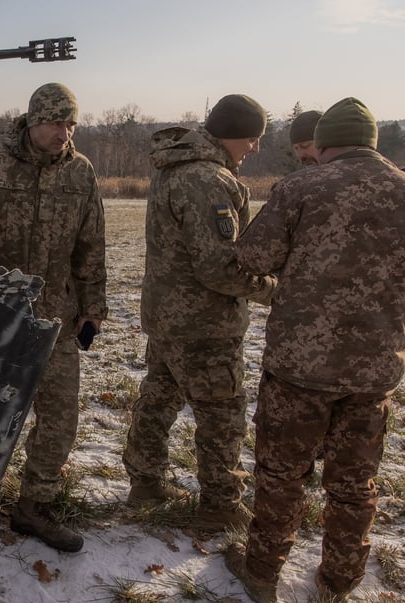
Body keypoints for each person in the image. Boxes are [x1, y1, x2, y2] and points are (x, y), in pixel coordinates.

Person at [225, 97, 405, 603]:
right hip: (373, 371)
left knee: (282, 474)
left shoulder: (301, 187)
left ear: (323, 142)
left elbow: (253, 256)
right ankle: (339, 581)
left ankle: (261, 573)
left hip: (300, 366)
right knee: (355, 484)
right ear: (370, 141)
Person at [0, 82, 107, 553]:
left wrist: (93, 309)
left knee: (60, 419)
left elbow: (91, 246)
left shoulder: (81, 173)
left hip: (54, 318)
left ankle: (33, 507)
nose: (65, 132)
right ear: (34, 120)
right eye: (57, 122)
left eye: (71, 123)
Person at [121, 94, 277, 532]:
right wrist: (269, 290)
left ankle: (145, 481)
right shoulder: (207, 179)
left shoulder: (176, 168)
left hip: (169, 317)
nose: (254, 149)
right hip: (203, 323)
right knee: (222, 414)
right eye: (253, 139)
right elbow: (218, 267)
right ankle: (222, 505)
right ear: (237, 135)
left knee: (159, 397)